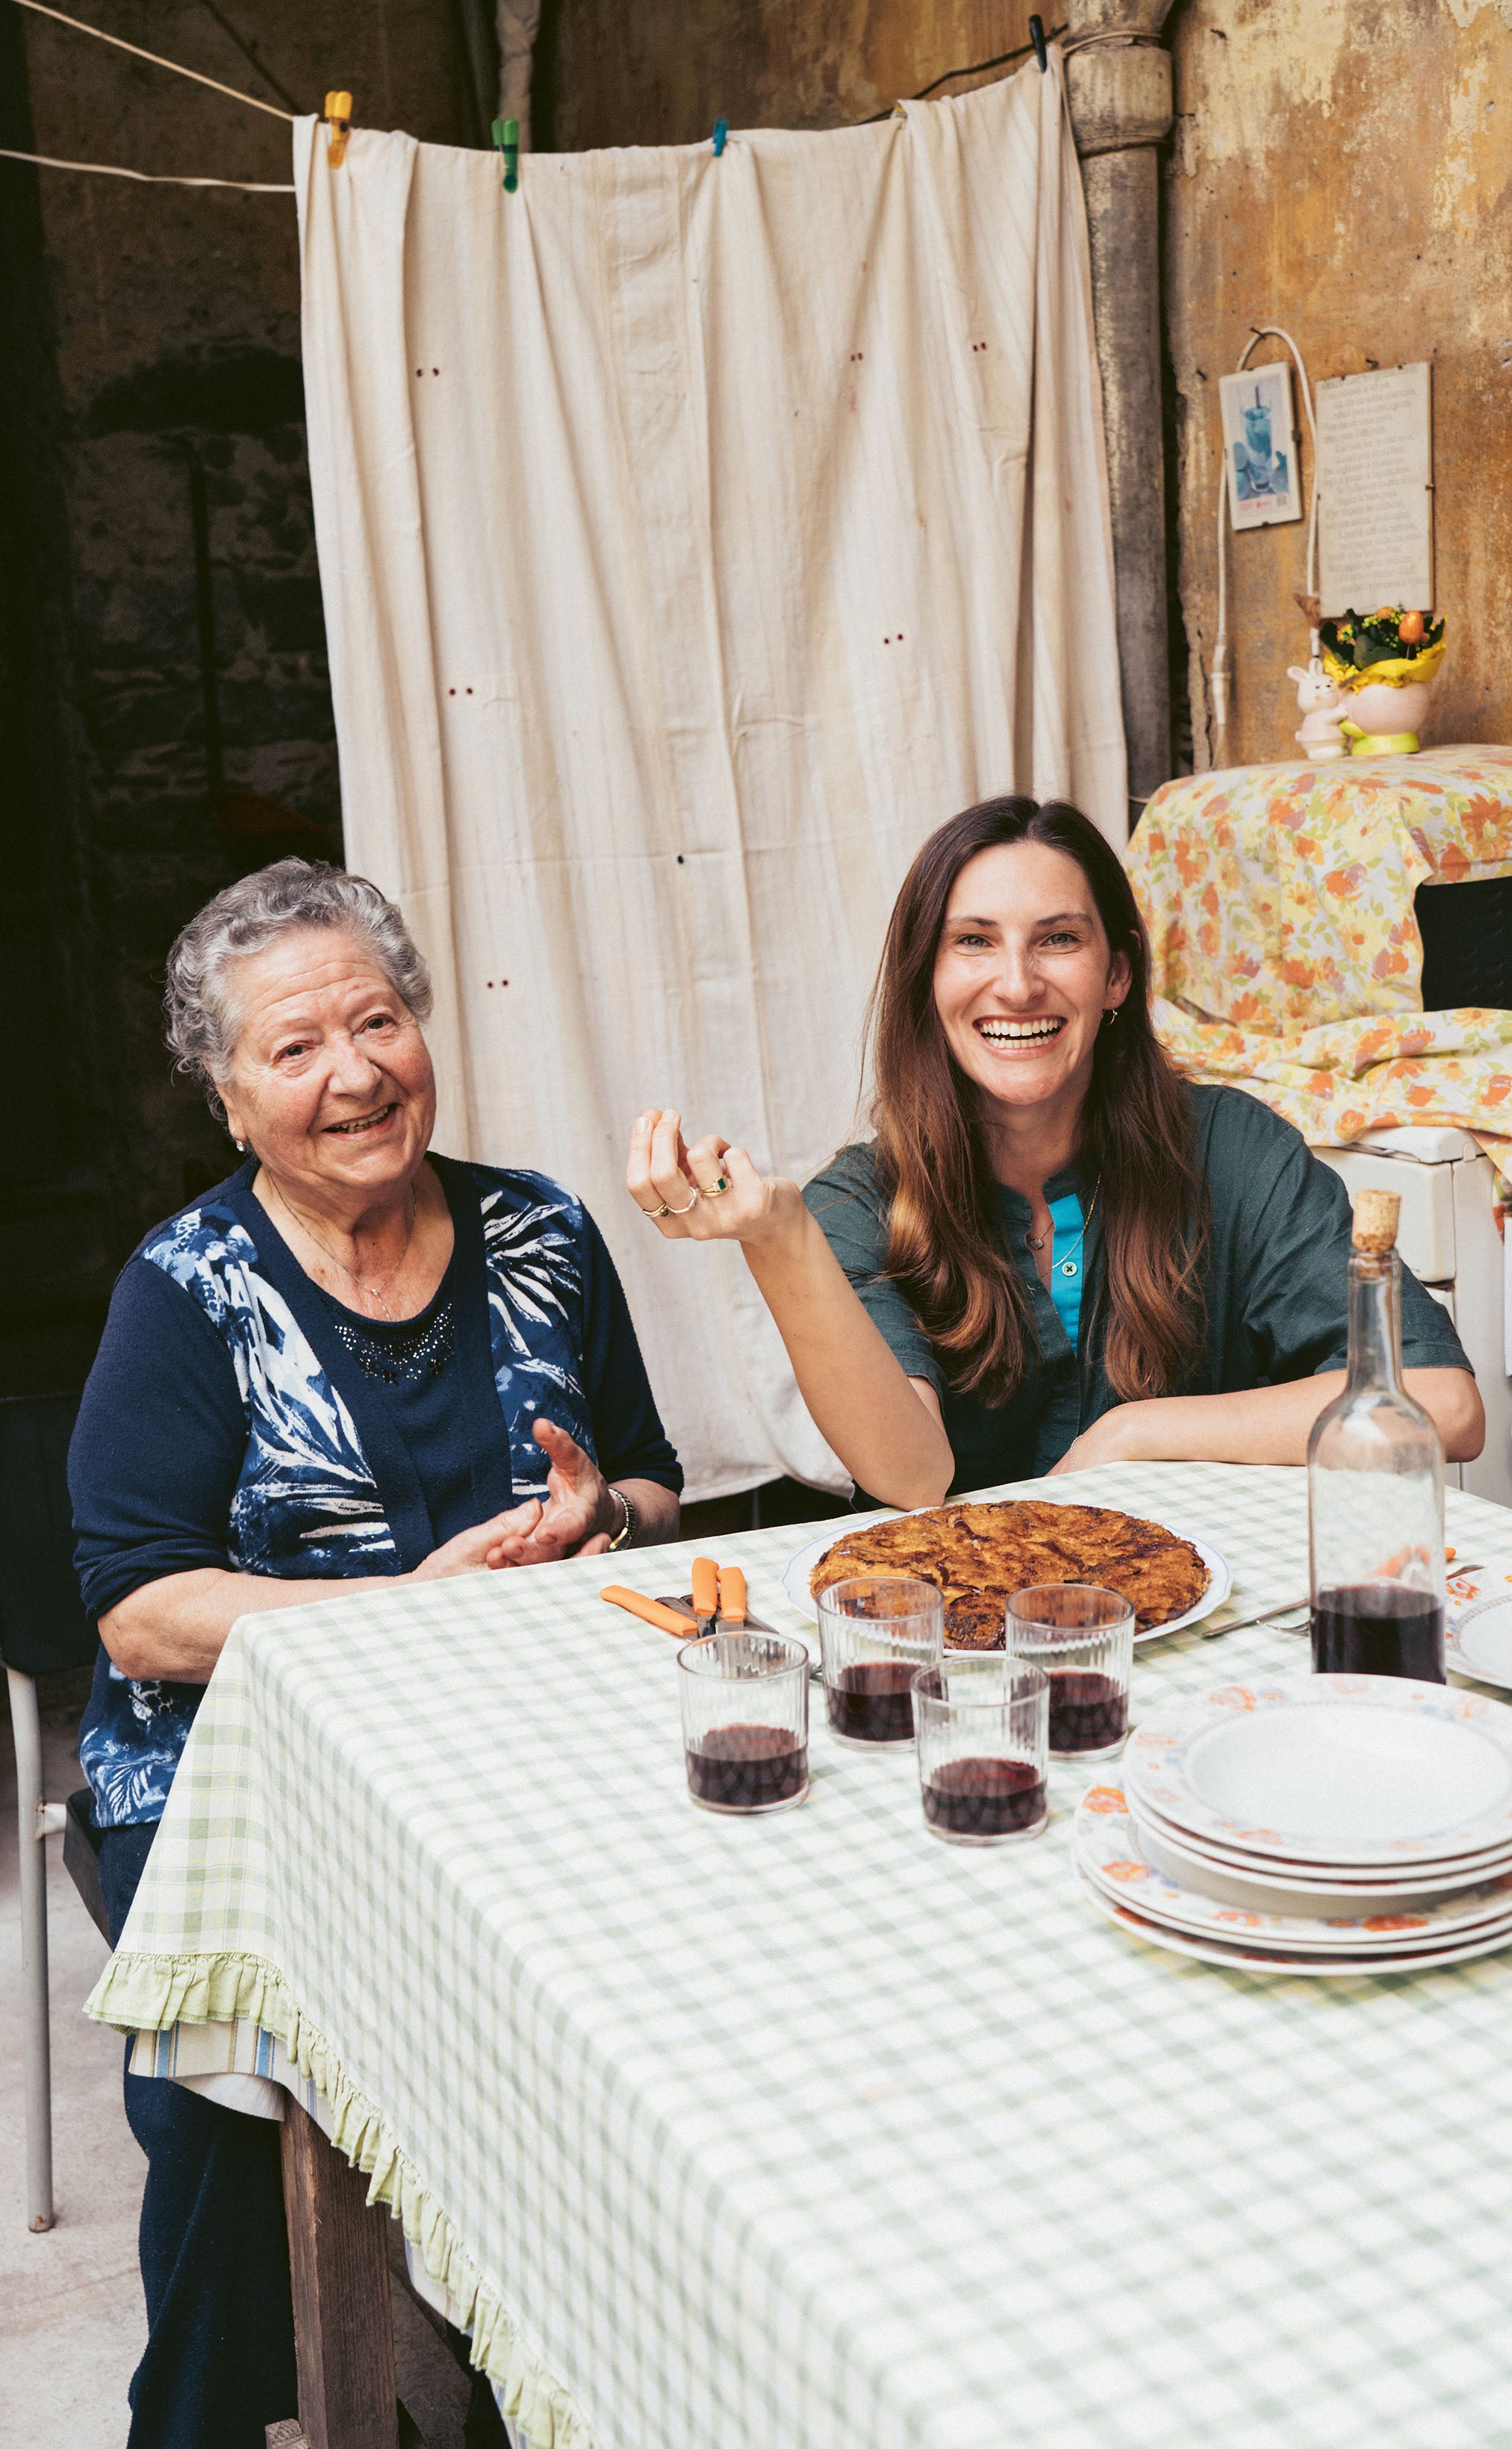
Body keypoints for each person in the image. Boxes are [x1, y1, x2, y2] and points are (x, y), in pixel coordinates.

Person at [71, 858, 680, 2449]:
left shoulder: (539, 1227)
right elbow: (141, 1609)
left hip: (517, 1740)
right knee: (229, 2098)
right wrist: (410, 1607)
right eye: (294, 1045)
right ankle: (203, 2420)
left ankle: (546, 2381)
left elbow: (650, 1480)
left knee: (637, 2025)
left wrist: (593, 1516)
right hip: (220, 1784)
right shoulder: (188, 1286)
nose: (354, 1071)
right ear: (226, 1094)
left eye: (379, 1018)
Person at [625, 795, 1482, 1504]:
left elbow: (1445, 1403)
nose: (1017, 982)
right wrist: (780, 1243)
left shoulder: (1232, 1147)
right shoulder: (857, 1202)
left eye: (1059, 938)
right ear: (929, 979)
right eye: (974, 941)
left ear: (1116, 976)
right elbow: (912, 1477)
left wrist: (1137, 1432)